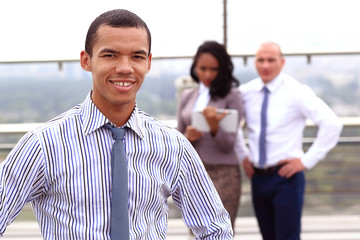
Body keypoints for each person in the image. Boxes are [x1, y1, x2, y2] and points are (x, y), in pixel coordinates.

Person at [0, 9, 233, 239]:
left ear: (148, 63)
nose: (125, 67)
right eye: (110, 55)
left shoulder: (173, 146)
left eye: (137, 56)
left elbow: (215, 229)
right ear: (86, 60)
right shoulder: (43, 145)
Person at [239, 41, 343, 240]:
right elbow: (232, 123)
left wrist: (306, 161)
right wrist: (243, 155)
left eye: (271, 60)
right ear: (255, 63)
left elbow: (332, 124)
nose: (266, 65)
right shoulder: (246, 92)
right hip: (257, 178)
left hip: (286, 178)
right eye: (261, 60)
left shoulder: (296, 91)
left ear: (282, 62)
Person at [177, 41, 246, 230]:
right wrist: (187, 136)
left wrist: (214, 125)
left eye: (214, 69)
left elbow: (228, 145)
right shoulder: (187, 96)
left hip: (224, 173)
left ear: (223, 69)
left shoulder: (232, 96)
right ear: (195, 67)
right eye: (203, 68)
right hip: (193, 174)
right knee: (195, 230)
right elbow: (176, 140)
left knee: (219, 230)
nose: (208, 75)